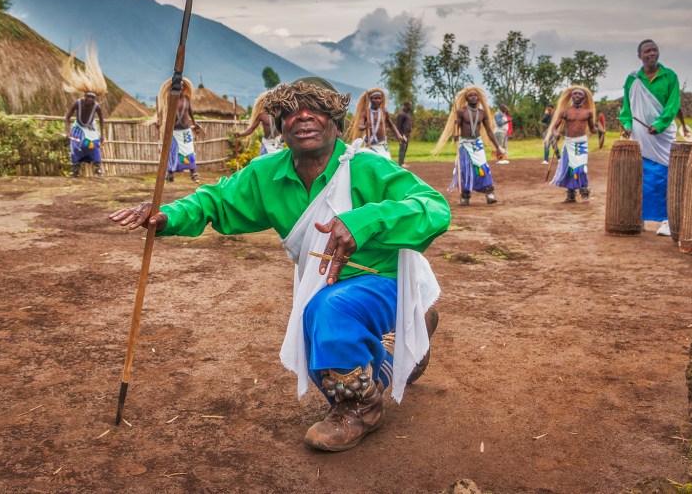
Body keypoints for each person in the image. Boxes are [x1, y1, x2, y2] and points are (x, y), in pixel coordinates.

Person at [110, 77, 449, 452]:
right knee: (321, 326)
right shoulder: (266, 174)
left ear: (334, 117)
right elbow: (215, 201)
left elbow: (435, 207)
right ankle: (403, 349)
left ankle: (359, 408)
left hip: (387, 281)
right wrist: (167, 216)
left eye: (315, 108)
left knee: (326, 311)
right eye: (289, 111)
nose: (303, 117)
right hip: (325, 285)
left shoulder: (368, 167)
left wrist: (363, 221)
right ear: (279, 124)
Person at [619, 39, 680, 236]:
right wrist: (627, 126)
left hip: (663, 137)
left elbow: (672, 106)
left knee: (664, 177)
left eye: (654, 50)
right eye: (647, 51)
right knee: (642, 177)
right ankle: (641, 218)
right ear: (640, 56)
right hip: (640, 135)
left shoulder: (669, 76)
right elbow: (627, 109)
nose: (651, 54)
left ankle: (667, 220)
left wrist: (660, 125)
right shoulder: (632, 79)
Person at [433, 86, 503, 206]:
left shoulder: (482, 113)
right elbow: (456, 126)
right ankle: (465, 195)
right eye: (470, 95)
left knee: (483, 167)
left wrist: (497, 147)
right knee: (464, 169)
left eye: (475, 95)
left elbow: (489, 131)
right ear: (466, 98)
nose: (473, 97)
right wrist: (455, 134)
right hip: (465, 145)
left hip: (477, 144)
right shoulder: (461, 111)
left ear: (479, 98)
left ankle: (489, 193)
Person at [62, 43, 106, 177]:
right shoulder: (78, 103)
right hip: (78, 127)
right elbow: (67, 117)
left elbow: (102, 120)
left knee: (93, 145)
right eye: (88, 97)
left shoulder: (96, 107)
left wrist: (102, 134)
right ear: (84, 96)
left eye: (93, 98)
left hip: (90, 128)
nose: (90, 100)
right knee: (76, 146)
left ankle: (97, 168)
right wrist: (69, 132)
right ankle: (75, 170)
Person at [547, 86, 597, 203]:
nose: (577, 96)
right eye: (575, 94)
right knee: (570, 169)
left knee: (581, 169)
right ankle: (571, 195)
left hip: (581, 143)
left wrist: (600, 130)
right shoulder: (565, 111)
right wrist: (555, 133)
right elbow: (554, 126)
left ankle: (584, 193)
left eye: (580, 94)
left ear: (584, 97)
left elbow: (592, 129)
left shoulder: (588, 112)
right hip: (569, 142)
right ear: (571, 96)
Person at [155, 77, 203, 182]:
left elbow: (190, 112)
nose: (180, 88)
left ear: (184, 87)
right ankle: (170, 173)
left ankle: (193, 172)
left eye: (182, 85)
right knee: (173, 152)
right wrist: (159, 120)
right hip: (174, 131)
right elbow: (162, 110)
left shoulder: (186, 99)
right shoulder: (169, 99)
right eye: (178, 86)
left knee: (189, 150)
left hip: (185, 131)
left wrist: (195, 124)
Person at [347, 88, 406, 159]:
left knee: (386, 162)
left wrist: (398, 136)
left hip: (381, 143)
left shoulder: (384, 112)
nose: (378, 100)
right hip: (369, 144)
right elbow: (360, 126)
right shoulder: (365, 112)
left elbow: (391, 125)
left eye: (379, 98)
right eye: (375, 98)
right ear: (370, 99)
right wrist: (365, 126)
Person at [233, 91, 282, 155]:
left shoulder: (279, 114)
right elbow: (251, 129)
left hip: (278, 142)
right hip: (267, 144)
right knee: (264, 163)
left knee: (279, 162)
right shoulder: (261, 116)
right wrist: (240, 134)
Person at [395, 101, 413, 168]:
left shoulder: (407, 114)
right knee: (402, 148)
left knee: (405, 148)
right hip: (402, 135)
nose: (410, 107)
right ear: (406, 105)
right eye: (410, 105)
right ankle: (401, 163)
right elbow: (398, 125)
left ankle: (402, 162)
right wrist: (400, 135)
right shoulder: (401, 114)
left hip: (406, 134)